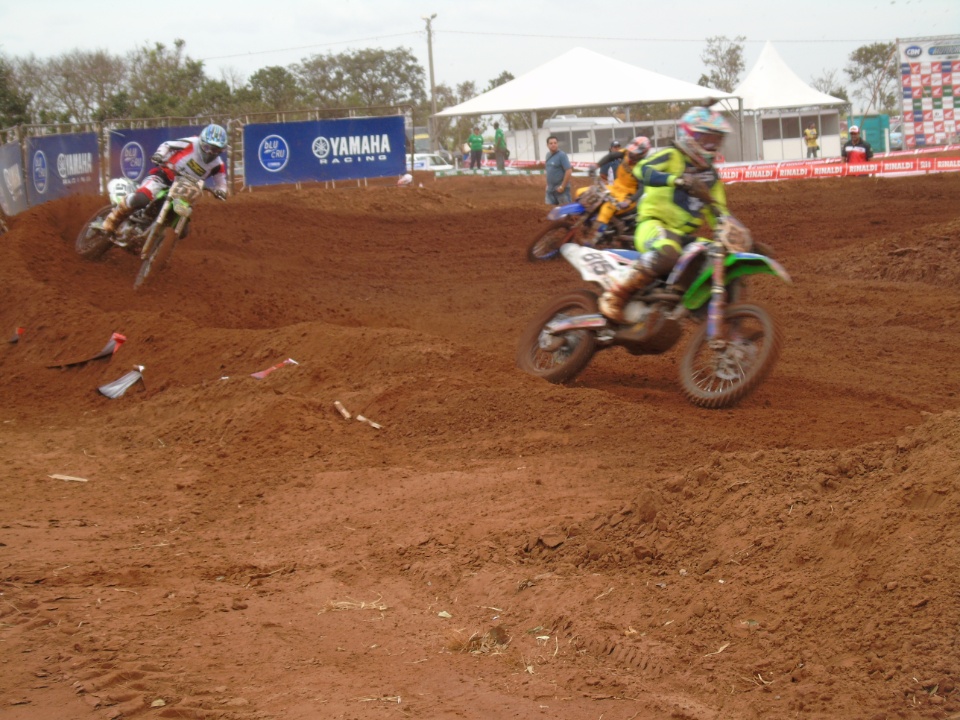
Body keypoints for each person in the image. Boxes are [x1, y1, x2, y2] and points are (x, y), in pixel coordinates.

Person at [598, 107, 731, 323]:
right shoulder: (673, 155)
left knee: (714, 256)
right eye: (707, 138)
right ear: (691, 135)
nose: (712, 145)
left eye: (717, 140)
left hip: (681, 235)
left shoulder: (711, 177)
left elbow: (720, 213)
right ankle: (615, 294)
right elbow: (643, 169)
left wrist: (740, 239)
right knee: (668, 251)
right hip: (653, 224)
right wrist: (676, 180)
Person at [101, 123, 229, 234]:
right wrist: (159, 155)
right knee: (141, 199)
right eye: (207, 147)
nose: (210, 152)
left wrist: (221, 191)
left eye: (215, 150)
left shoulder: (218, 165)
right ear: (202, 142)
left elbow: (221, 182)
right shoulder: (191, 143)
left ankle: (156, 242)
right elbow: (168, 145)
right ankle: (113, 218)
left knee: (183, 230)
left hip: (184, 192)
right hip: (165, 177)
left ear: (221, 150)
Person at [585, 136, 651, 246]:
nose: (631, 154)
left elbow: (642, 188)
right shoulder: (625, 153)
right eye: (631, 150)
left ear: (642, 154)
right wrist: (596, 165)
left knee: (607, 209)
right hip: (615, 187)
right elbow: (611, 156)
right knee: (587, 191)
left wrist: (629, 201)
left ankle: (591, 241)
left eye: (635, 153)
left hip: (627, 196)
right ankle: (580, 222)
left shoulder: (643, 167)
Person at [544, 135, 572, 205]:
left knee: (565, 212)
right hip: (550, 190)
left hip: (561, 190)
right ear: (547, 145)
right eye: (551, 143)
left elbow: (568, 171)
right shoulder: (547, 155)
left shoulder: (562, 155)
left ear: (557, 144)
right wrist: (547, 185)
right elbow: (548, 170)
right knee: (549, 212)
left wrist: (562, 186)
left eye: (555, 143)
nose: (553, 145)